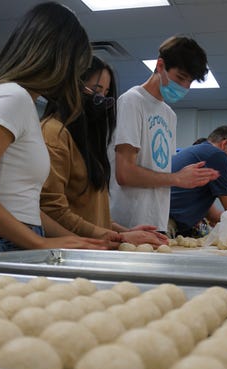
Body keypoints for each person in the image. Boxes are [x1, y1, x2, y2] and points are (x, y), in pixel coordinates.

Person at [0, 2, 108, 253]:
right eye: (73, 70)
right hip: (5, 243)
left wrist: (77, 242)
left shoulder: (19, 102)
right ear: (56, 58)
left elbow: (23, 208)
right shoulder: (13, 97)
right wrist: (39, 242)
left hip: (14, 238)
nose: (72, 81)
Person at [40, 56, 167, 246]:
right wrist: (120, 238)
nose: (99, 101)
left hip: (89, 251)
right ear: (71, 86)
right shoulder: (53, 133)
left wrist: (123, 231)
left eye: (105, 95)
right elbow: (53, 212)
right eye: (96, 91)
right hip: (67, 253)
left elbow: (91, 214)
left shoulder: (86, 143)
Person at [108, 36, 219, 232]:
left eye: (190, 81)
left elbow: (158, 170)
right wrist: (177, 178)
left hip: (157, 222)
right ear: (160, 65)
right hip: (128, 224)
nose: (184, 87)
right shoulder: (132, 102)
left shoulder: (170, 115)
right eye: (180, 78)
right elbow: (124, 173)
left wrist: (186, 178)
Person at [168, 125, 227, 237]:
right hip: (167, 223)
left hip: (159, 217)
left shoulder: (196, 152)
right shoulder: (217, 155)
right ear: (225, 144)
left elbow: (213, 216)